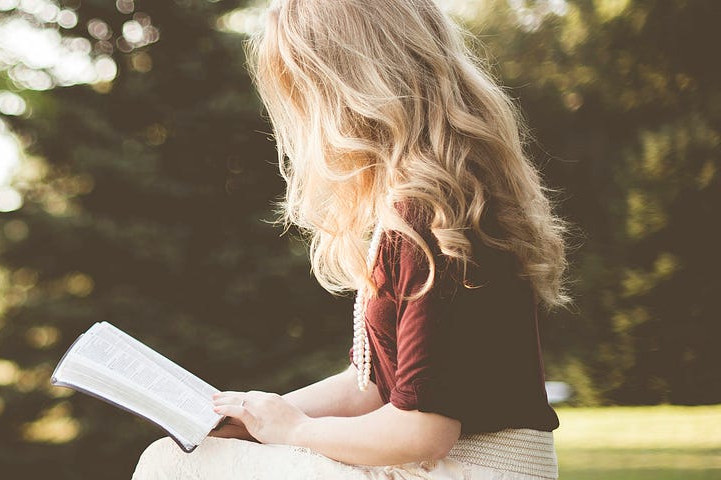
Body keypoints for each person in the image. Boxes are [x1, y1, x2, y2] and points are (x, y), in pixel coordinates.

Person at [133, 0, 570, 478]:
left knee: (172, 465)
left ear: (349, 86)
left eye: (303, 89)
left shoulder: (430, 215)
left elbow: (422, 431)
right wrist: (255, 418)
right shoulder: (424, 201)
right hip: (445, 464)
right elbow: (374, 387)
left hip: (475, 468)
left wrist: (296, 430)